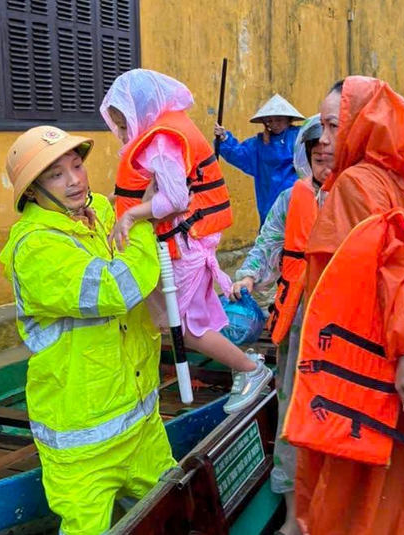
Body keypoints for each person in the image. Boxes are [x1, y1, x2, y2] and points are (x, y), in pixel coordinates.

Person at [286, 77, 404, 535]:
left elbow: (392, 267)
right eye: (322, 127)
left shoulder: (356, 183)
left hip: (368, 367)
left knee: (353, 494)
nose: (323, 139)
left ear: (363, 125)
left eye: (334, 125)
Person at [0, 126, 176, 535]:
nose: (75, 180)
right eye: (56, 175)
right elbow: (116, 289)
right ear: (32, 192)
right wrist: (142, 222)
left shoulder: (94, 212)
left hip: (142, 423)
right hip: (82, 444)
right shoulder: (37, 248)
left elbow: (119, 206)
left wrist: (141, 197)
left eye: (77, 166)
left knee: (173, 512)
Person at [101, 69, 272, 415]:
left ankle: (250, 370)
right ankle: (244, 360)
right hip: (186, 241)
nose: (121, 133)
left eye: (123, 124)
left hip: (188, 243)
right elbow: (150, 189)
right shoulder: (162, 131)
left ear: (141, 110)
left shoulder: (162, 142)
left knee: (186, 327)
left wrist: (131, 216)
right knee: (174, 316)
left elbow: (176, 200)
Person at [229, 115, 328, 535]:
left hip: (348, 329)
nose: (326, 163)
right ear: (306, 158)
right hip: (300, 323)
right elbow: (269, 243)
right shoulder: (292, 198)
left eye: (334, 155)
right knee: (293, 413)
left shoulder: (362, 196)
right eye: (318, 156)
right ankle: (293, 516)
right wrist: (249, 275)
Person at [214, 94, 305, 226]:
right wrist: (224, 138)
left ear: (288, 119)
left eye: (279, 120)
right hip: (268, 196)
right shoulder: (259, 143)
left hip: (297, 197)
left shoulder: (300, 136)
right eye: (270, 121)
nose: (274, 124)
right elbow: (240, 154)